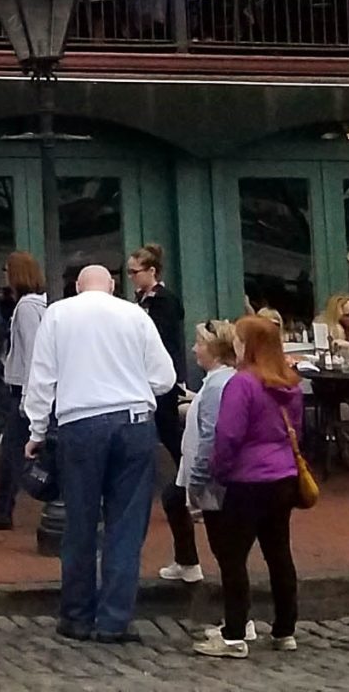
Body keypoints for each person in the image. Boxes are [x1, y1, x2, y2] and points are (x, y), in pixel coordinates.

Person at [21, 264, 176, 644]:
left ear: (76, 286)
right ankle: (113, 620)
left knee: (80, 520)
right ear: (111, 286)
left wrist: (36, 431)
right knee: (125, 524)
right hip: (133, 420)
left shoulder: (58, 314)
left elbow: (41, 379)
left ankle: (75, 615)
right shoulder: (134, 314)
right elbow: (165, 377)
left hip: (80, 422)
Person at [192, 314, 307, 659]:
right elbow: (298, 430)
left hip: (248, 478)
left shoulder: (243, 383)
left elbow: (228, 435)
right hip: (283, 476)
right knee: (279, 553)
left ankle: (234, 632)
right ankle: (285, 629)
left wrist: (218, 470)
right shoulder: (290, 382)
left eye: (240, 340)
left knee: (233, 556)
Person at [127, 244, 200, 584]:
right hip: (144, 381)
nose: (131, 277)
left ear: (152, 272)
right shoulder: (142, 303)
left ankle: (190, 487)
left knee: (171, 436)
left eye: (135, 271)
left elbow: (160, 343)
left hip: (161, 382)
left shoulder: (164, 303)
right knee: (161, 436)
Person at [0, 251, 47, 531]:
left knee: (13, 452)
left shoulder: (26, 309)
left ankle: (3, 509)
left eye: (7, 271)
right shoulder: (38, 306)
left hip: (22, 392)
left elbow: (31, 353)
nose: (5, 277)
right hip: (29, 390)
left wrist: (28, 397)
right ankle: (3, 508)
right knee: (21, 451)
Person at [175, 320, 240, 623]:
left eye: (199, 343)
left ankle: (238, 622)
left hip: (215, 484)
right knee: (228, 553)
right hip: (219, 481)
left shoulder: (217, 384)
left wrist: (197, 484)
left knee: (227, 553)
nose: (194, 349)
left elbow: (211, 436)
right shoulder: (219, 381)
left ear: (213, 349)